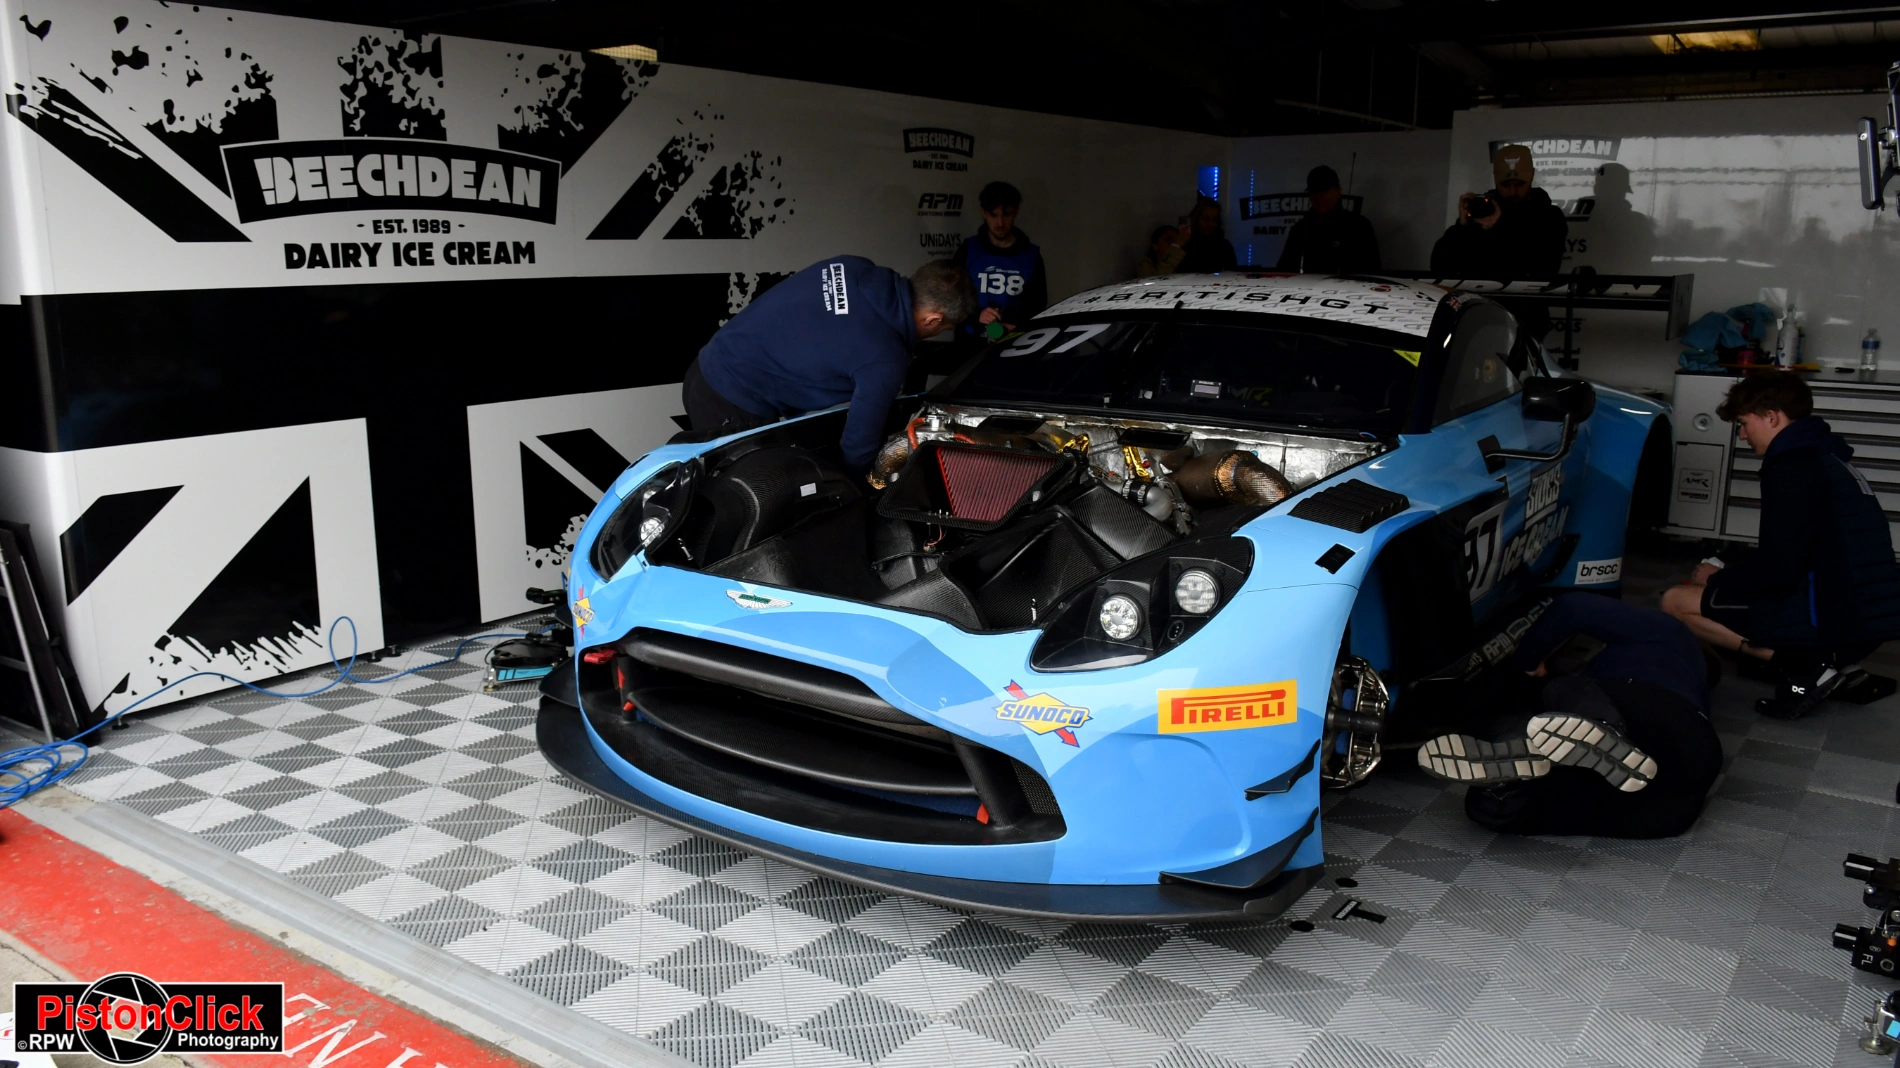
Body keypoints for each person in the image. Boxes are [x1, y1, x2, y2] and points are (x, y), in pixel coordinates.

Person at [1661, 371, 1900, 718]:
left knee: (1675, 602)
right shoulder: (1829, 458)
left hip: (1836, 619)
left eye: (1744, 424)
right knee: (1729, 598)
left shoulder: (1792, 468)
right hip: (1867, 619)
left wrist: (1715, 578)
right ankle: (1834, 662)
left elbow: (1779, 570)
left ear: (1772, 417)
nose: (1742, 435)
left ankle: (1808, 664)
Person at [1416, 594, 1722, 839]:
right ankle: (1503, 790)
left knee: (1560, 690)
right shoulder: (1695, 693)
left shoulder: (1675, 637)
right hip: (1672, 802)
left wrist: (1527, 660)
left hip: (1653, 721)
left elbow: (1573, 607)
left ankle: (1603, 731)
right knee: (1488, 807)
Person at [683, 257, 976, 474]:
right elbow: (857, 446)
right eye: (944, 328)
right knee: (750, 506)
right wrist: (868, 486)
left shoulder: (854, 266)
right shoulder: (885, 357)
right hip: (731, 402)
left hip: (704, 367)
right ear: (933, 320)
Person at [1429, 143, 1567, 280]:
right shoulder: (1484, 211)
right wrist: (1461, 228)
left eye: (1519, 184)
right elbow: (1439, 267)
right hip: (1477, 294)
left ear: (1532, 175)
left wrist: (1498, 226)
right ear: (1495, 179)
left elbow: (1543, 266)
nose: (1513, 191)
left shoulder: (1550, 216)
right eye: (1505, 185)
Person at [951, 181, 1048, 339]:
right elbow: (951, 297)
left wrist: (1017, 322)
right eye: (994, 215)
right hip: (970, 341)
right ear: (984, 213)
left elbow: (1038, 305)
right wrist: (977, 315)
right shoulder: (968, 250)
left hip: (1015, 341)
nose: (1000, 222)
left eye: (1007, 215)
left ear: (1016, 212)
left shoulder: (1031, 255)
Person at [1275, 165, 1380, 274]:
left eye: (1324, 190)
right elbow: (1283, 270)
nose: (1319, 196)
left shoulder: (1360, 226)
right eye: (1314, 191)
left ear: (1338, 190)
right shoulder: (1299, 230)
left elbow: (1372, 270)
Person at [1175, 196, 1238, 274]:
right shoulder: (1184, 244)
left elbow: (1232, 274)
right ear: (1196, 219)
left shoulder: (1224, 246)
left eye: (1215, 219)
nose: (1211, 224)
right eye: (1206, 219)